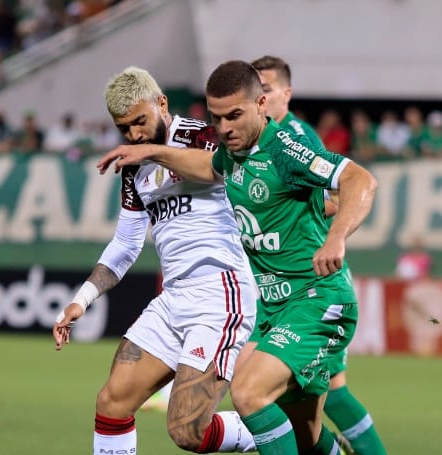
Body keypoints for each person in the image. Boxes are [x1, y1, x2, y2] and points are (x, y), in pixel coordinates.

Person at [98, 60, 378, 454]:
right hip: (275, 308)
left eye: (234, 115)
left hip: (316, 301)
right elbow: (204, 165)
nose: (224, 127)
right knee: (305, 435)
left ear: (262, 104)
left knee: (248, 394)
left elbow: (360, 180)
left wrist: (336, 237)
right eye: (216, 118)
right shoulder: (233, 155)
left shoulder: (285, 151)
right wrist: (151, 152)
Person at [52, 67, 257, 454]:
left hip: (220, 292)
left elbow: (221, 171)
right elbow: (126, 244)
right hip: (174, 299)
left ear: (161, 103)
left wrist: (151, 151)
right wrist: (81, 299)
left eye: (140, 122)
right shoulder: (135, 164)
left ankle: (280, 431)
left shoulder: (204, 135)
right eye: (123, 128)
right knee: (112, 401)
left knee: (187, 431)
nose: (134, 136)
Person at [251, 54, 388, 455]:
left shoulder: (295, 138)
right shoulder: (255, 137)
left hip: (310, 283)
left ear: (286, 94)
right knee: (296, 403)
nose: (260, 97)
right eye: (254, 89)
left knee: (304, 397)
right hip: (277, 284)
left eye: (268, 89)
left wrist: (320, 231)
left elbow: (334, 196)